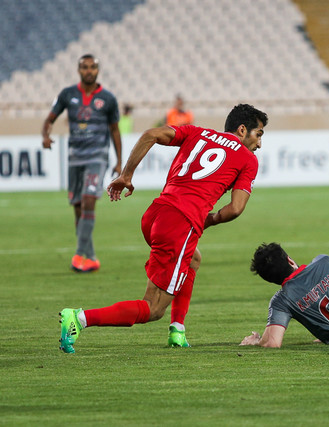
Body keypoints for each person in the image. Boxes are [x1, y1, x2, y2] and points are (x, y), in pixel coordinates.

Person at [58, 103, 268, 353]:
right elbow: (235, 208)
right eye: (259, 134)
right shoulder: (248, 159)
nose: (259, 144)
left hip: (155, 213)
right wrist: (205, 221)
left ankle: (177, 330)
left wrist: (126, 175)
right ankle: (80, 319)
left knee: (192, 260)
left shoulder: (196, 132)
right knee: (153, 308)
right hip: (179, 224)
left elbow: (150, 135)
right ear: (242, 130)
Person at [42, 53, 122, 273]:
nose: (89, 71)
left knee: (88, 200)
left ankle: (78, 255)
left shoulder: (108, 98)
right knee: (78, 206)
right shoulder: (68, 94)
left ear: (98, 70)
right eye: (85, 67)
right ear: (79, 70)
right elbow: (49, 120)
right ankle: (92, 257)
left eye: (93, 67)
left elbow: (115, 130)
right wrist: (45, 136)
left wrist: (119, 161)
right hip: (75, 157)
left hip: (98, 156)